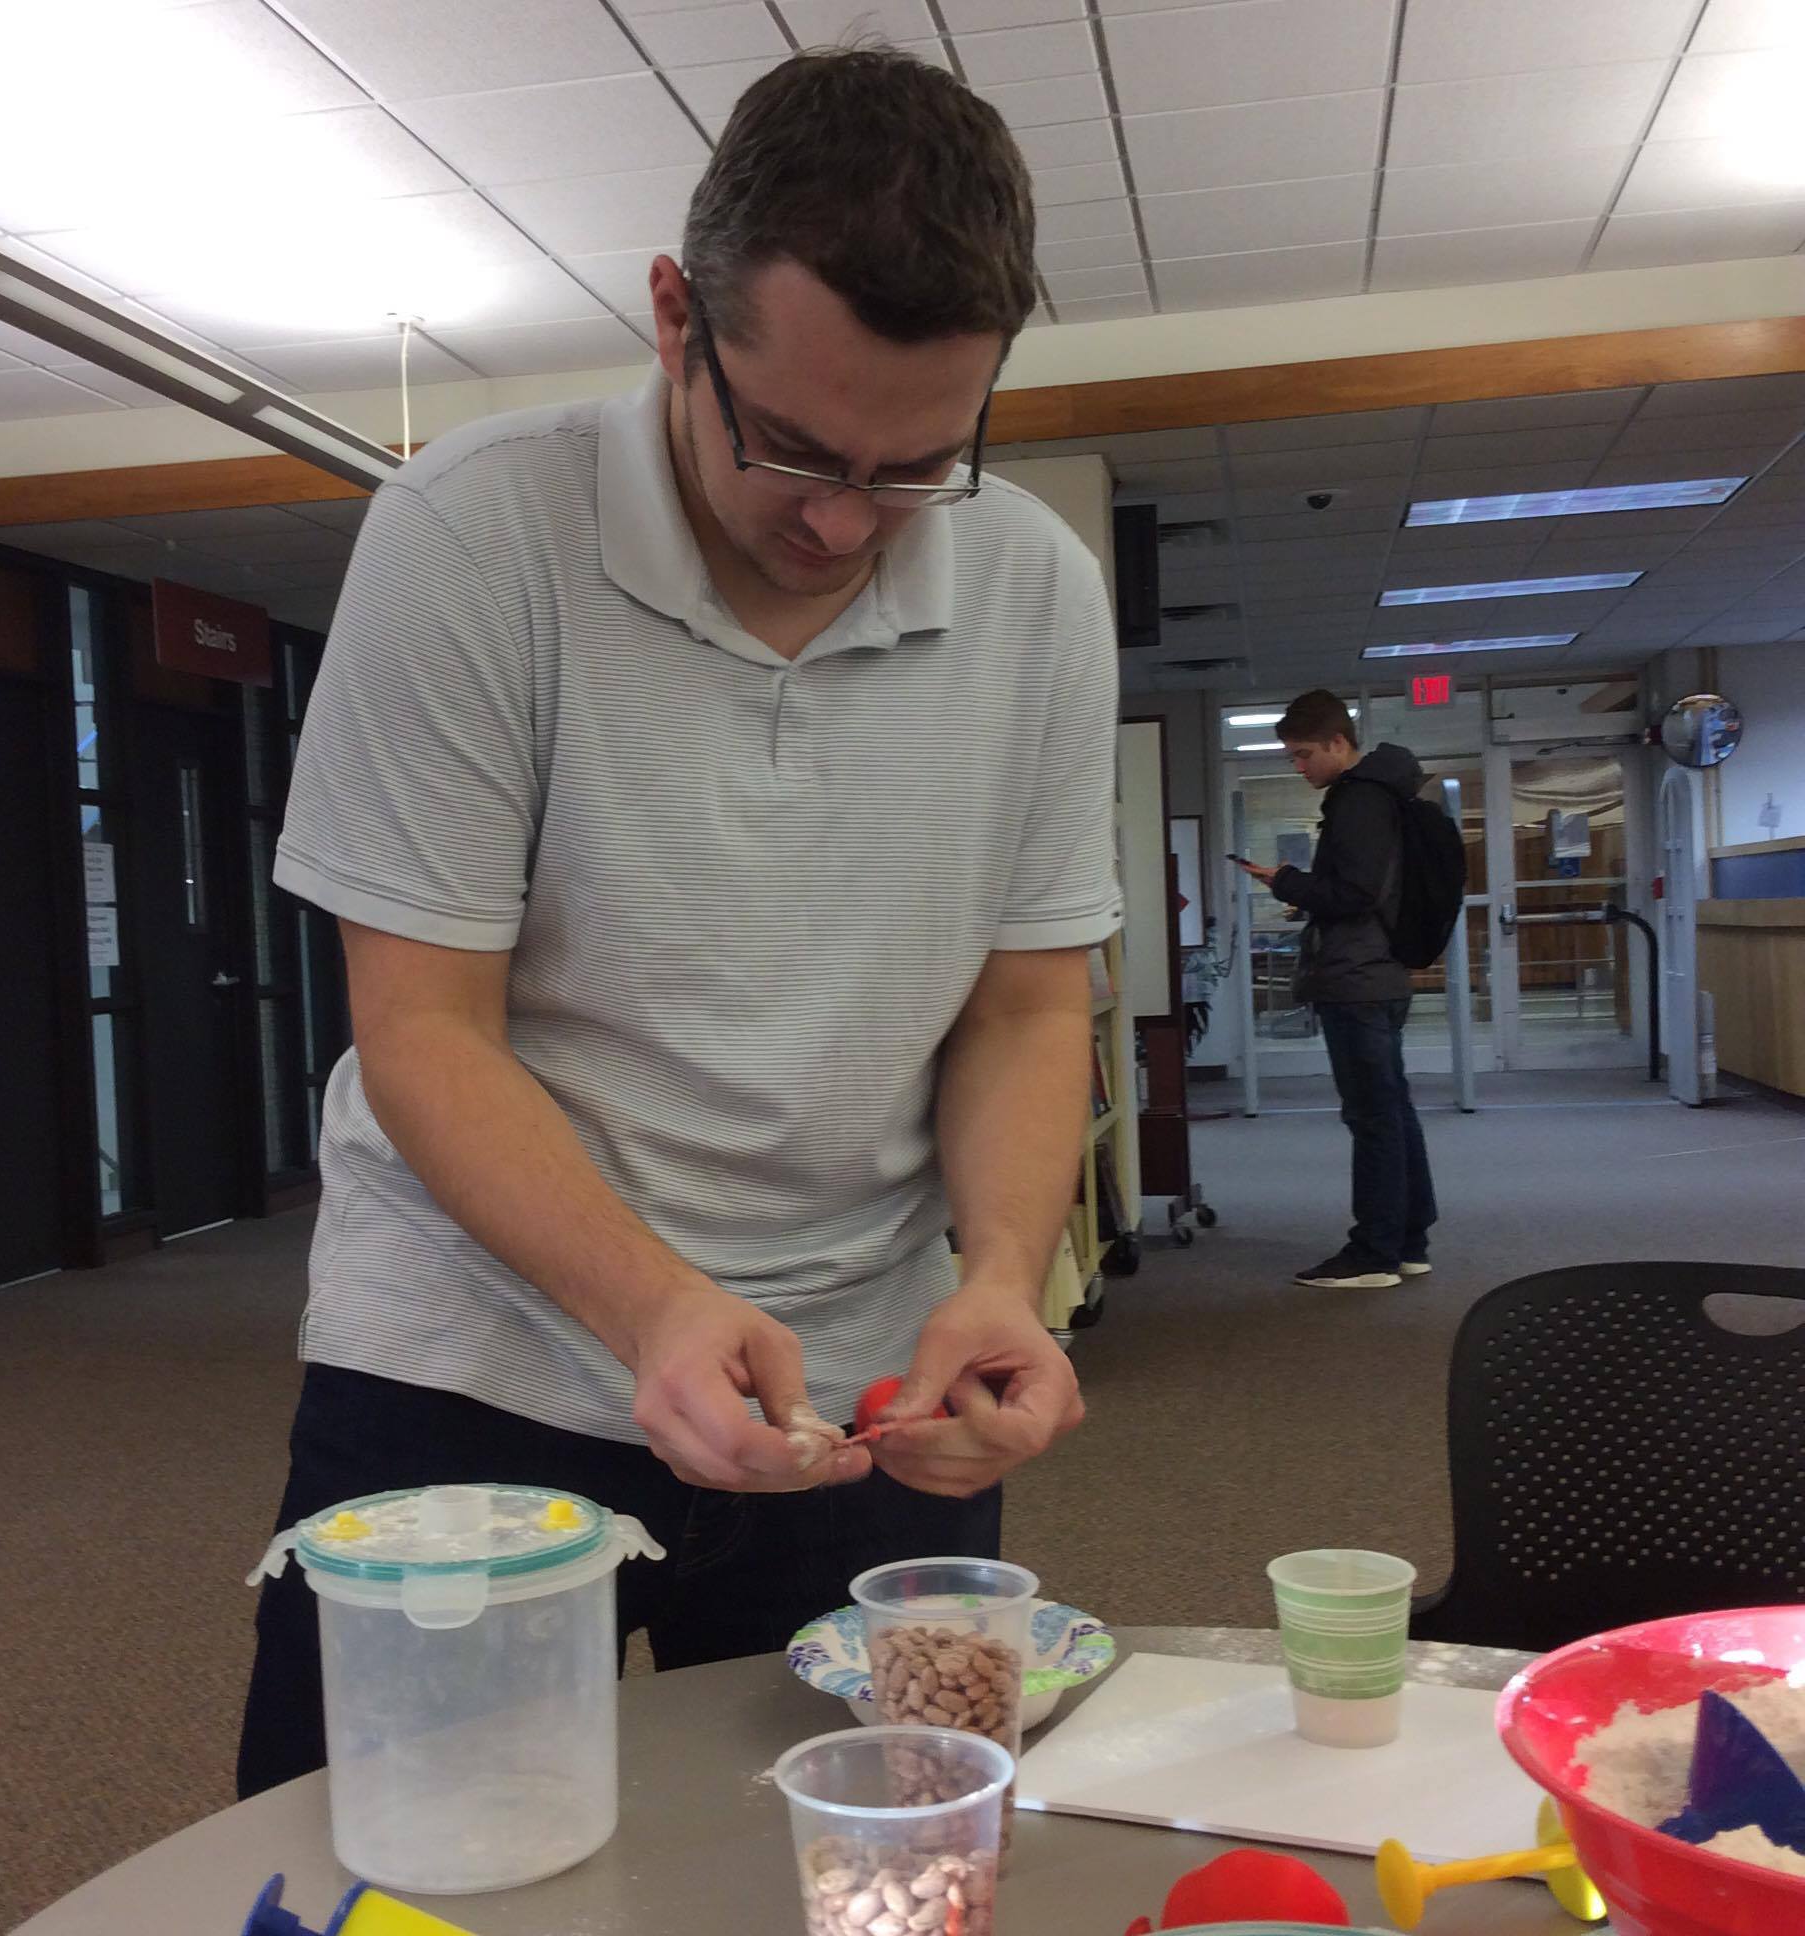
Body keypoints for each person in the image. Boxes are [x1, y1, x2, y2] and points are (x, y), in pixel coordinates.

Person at [236, 46, 1122, 1799]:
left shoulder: (1035, 590)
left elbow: (1023, 1012)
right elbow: (422, 1028)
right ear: (671, 317)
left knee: (867, 1868)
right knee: (382, 1869)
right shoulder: (472, 538)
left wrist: (1004, 1275)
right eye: (790, 446)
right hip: (470, 1361)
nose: (843, 520)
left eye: (915, 466)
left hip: (867, 1383)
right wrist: (652, 1306)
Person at [1239, 689, 1437, 1291]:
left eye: (1303, 755)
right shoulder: (1387, 795)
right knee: (1392, 1110)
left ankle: (1374, 1253)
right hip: (1380, 973)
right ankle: (1408, 1240)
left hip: (1356, 978)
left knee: (1372, 1116)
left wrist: (1290, 882)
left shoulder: (1357, 802)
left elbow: (1352, 895)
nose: (1298, 768)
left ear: (1338, 743)